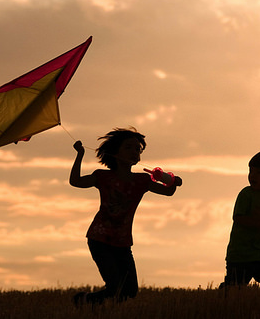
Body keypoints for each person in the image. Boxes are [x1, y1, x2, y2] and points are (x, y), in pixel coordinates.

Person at [69, 127, 182, 305]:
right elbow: (75, 182)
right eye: (128, 147)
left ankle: (89, 302)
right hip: (99, 239)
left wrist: (170, 180)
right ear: (115, 152)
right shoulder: (102, 177)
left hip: (122, 242)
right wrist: (80, 155)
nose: (134, 152)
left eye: (138, 149)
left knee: (130, 291)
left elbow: (169, 192)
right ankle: (84, 301)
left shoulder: (142, 181)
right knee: (114, 287)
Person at [220, 151, 260, 302]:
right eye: (251, 171)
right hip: (240, 254)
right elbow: (238, 218)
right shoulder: (246, 194)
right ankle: (222, 297)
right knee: (234, 288)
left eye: (259, 172)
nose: (252, 176)